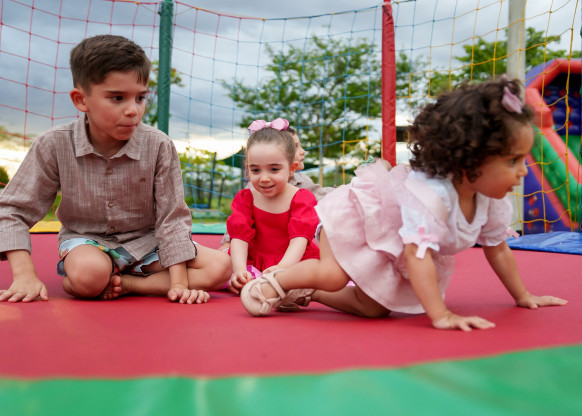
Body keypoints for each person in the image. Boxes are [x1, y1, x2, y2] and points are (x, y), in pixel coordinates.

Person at [239, 77, 568, 330]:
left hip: (390, 238)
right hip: (358, 217)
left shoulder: (491, 201)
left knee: (374, 308)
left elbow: (498, 249)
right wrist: (441, 315)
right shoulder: (432, 197)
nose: (523, 171)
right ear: (472, 159)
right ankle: (272, 282)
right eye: (512, 160)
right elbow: (417, 255)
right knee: (333, 275)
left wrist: (523, 296)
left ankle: (306, 292)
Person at [0, 34, 230, 304]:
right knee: (89, 275)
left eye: (140, 97)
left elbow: (172, 217)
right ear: (81, 100)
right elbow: (13, 211)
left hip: (147, 243)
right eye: (118, 98)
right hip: (87, 242)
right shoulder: (54, 144)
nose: (133, 110)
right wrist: (24, 275)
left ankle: (130, 283)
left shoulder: (159, 145)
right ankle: (96, 280)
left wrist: (179, 284)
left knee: (220, 267)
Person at [227, 118, 320, 295]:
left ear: (291, 168)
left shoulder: (301, 198)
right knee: (224, 273)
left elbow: (299, 239)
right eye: (255, 170)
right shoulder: (246, 198)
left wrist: (282, 268)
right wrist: (239, 270)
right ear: (248, 169)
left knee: (311, 280)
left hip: (294, 260)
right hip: (255, 262)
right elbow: (239, 237)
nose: (264, 178)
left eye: (274, 169)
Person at [218, 125, 334, 251]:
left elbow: (323, 194)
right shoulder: (254, 189)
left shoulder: (302, 182)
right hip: (261, 250)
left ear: (292, 167)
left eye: (274, 169)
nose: (303, 151)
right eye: (295, 146)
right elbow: (239, 220)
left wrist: (348, 188)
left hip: (292, 249)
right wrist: (229, 243)